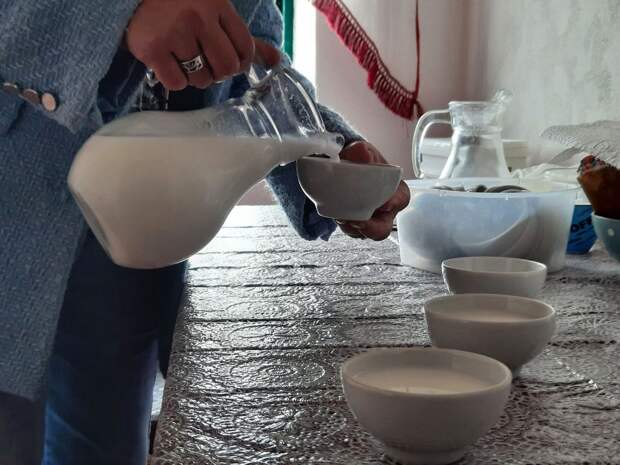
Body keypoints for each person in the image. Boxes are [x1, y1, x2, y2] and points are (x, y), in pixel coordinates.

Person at [0, 0, 410, 464]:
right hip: (12, 212)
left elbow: (251, 60)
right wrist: (112, 13)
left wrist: (329, 150)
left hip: (140, 231)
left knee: (105, 452)